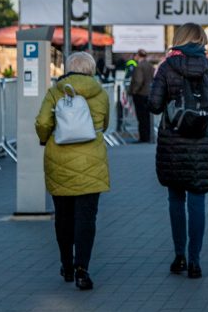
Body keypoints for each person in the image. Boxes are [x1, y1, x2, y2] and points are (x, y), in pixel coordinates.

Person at [148, 23, 208, 278]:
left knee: (176, 200)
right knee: (198, 201)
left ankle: (179, 256)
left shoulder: (166, 67)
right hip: (201, 145)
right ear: (201, 41)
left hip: (173, 143)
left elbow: (153, 105)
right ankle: (195, 260)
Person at [34, 51, 110, 291]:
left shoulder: (56, 92)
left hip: (59, 160)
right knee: (86, 218)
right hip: (91, 161)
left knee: (63, 217)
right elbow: (104, 124)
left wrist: (45, 139)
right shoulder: (100, 93)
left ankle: (66, 265)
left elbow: (43, 123)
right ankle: (82, 270)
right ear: (91, 69)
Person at [128, 49, 155, 143]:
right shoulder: (150, 65)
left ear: (138, 55)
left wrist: (134, 91)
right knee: (146, 117)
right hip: (148, 93)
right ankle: (147, 136)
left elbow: (138, 81)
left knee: (141, 117)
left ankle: (143, 137)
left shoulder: (139, 66)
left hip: (140, 94)